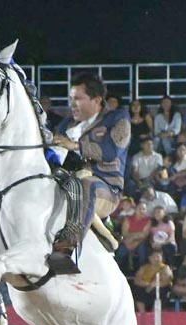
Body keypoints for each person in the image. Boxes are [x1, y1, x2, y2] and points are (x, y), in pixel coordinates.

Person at [52, 73, 131, 250]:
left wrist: (74, 146)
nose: (72, 103)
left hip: (107, 189)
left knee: (86, 184)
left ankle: (70, 244)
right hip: (68, 184)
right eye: (71, 98)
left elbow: (110, 152)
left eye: (78, 98)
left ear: (96, 100)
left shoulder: (119, 118)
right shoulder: (66, 124)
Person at [115, 200, 151, 273]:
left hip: (140, 242)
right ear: (135, 209)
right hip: (128, 241)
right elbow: (125, 233)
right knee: (121, 252)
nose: (141, 211)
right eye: (139, 208)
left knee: (142, 249)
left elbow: (144, 235)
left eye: (144, 209)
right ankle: (116, 270)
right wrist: (136, 235)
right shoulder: (128, 219)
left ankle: (142, 271)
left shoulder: (148, 220)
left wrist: (132, 237)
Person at [132, 249, 173, 314]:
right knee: (137, 290)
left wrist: (154, 285)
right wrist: (149, 285)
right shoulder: (144, 268)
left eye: (158, 257)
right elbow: (137, 281)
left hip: (159, 288)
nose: (156, 259)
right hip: (146, 288)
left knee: (162, 291)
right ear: (149, 258)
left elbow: (167, 281)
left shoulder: (165, 268)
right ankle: (142, 313)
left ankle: (154, 314)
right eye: (154, 257)